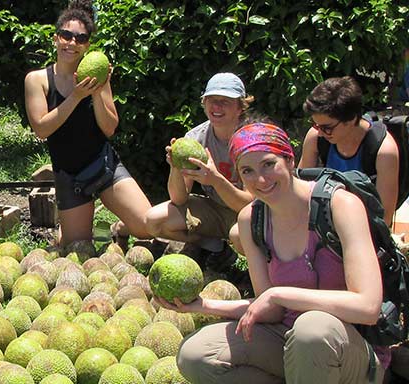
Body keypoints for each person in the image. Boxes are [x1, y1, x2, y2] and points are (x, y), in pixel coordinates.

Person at [164, 121, 387, 383]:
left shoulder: (341, 205)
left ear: (290, 161)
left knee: (312, 329)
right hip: (289, 340)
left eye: (269, 164)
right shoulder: (251, 220)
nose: (260, 179)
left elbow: (368, 307)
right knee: (196, 355)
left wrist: (280, 294)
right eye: (247, 171)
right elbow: (270, 310)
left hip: (348, 349)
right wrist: (202, 305)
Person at [23, 0, 157, 246]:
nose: (72, 43)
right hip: (69, 173)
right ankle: (71, 229)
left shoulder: (98, 74)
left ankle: (120, 227)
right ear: (56, 38)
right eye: (66, 35)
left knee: (147, 228)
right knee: (77, 246)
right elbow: (42, 129)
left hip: (104, 165)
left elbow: (109, 128)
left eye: (80, 39)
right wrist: (76, 96)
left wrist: (96, 90)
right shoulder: (37, 80)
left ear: (87, 46)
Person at [115, 72, 254, 263]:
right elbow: (179, 199)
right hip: (216, 209)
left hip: (250, 213)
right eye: (211, 100)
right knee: (154, 220)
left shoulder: (253, 141)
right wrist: (175, 167)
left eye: (225, 101)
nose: (217, 107)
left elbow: (249, 204)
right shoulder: (195, 138)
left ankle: (261, 277)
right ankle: (213, 247)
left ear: (240, 107)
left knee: (240, 235)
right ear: (204, 103)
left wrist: (216, 180)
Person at [299, 76, 400, 226]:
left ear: (352, 119)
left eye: (327, 128)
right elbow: (299, 188)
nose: (320, 132)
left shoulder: (384, 150)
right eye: (315, 125)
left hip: (365, 225)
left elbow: (383, 218)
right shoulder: (315, 137)